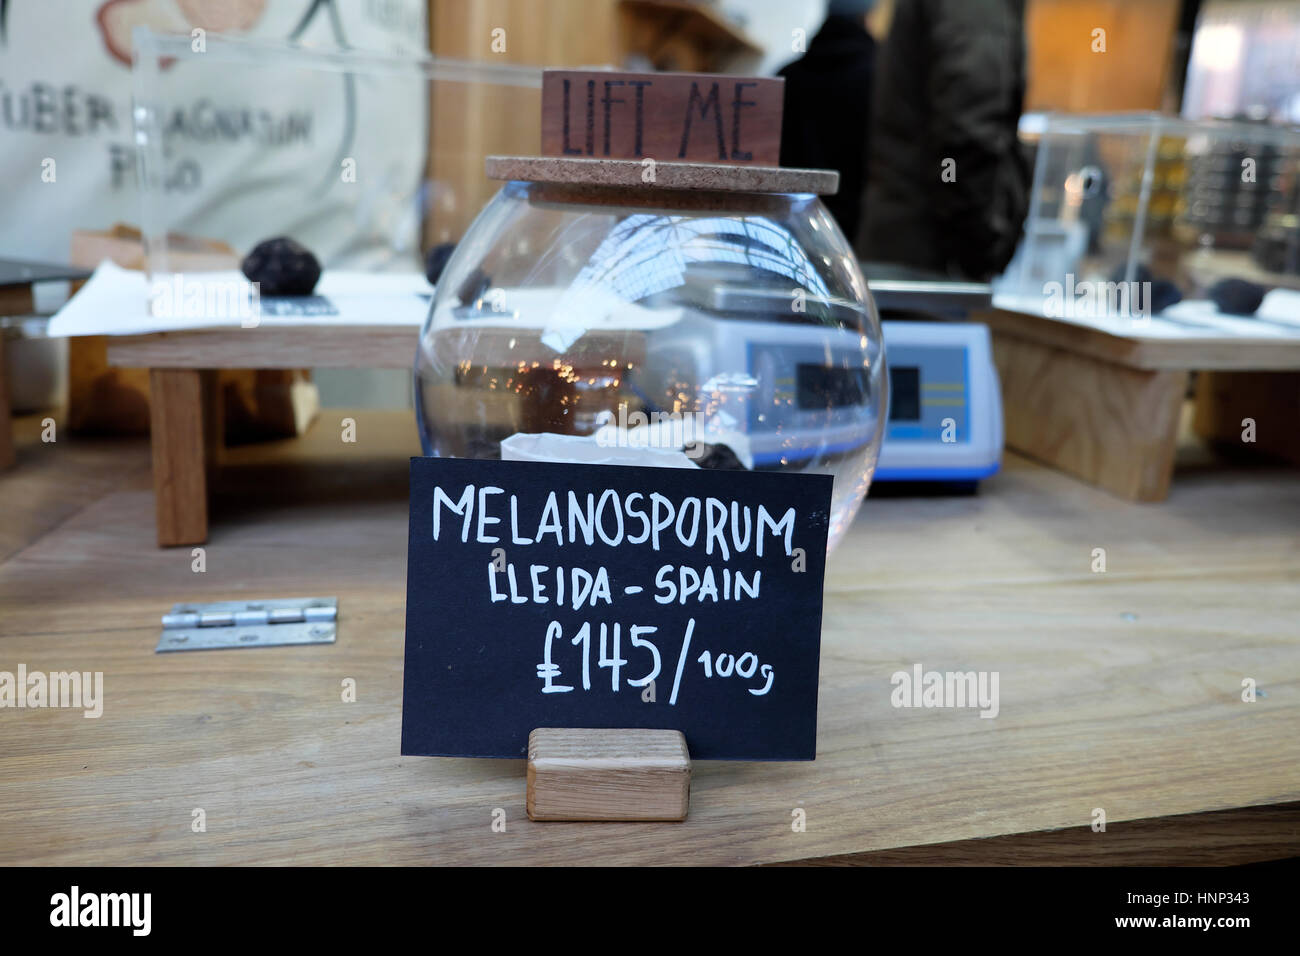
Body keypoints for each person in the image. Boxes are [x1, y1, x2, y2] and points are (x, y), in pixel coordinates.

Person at [857, 0, 1031, 281]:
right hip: (932, 259)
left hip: (909, 245)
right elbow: (968, 131)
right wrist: (979, 246)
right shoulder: (973, 9)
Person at [777, 0, 878, 243]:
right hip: (860, 241)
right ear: (868, 13)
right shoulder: (883, 80)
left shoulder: (786, 77)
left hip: (791, 235)